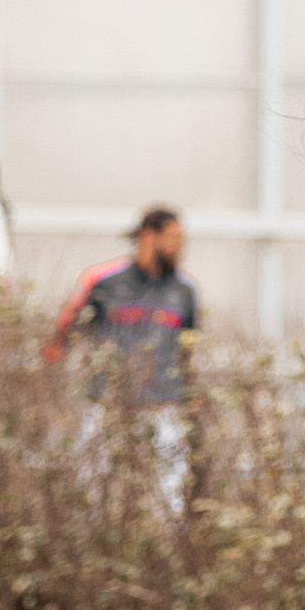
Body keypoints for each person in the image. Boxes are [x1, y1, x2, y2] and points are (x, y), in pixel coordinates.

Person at [49, 208, 200, 508]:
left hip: (164, 409)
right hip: (106, 405)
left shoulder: (186, 290)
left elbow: (189, 350)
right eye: (173, 238)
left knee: (170, 500)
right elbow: (60, 337)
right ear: (148, 236)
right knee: (89, 496)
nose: (179, 247)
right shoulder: (101, 280)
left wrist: (191, 399)